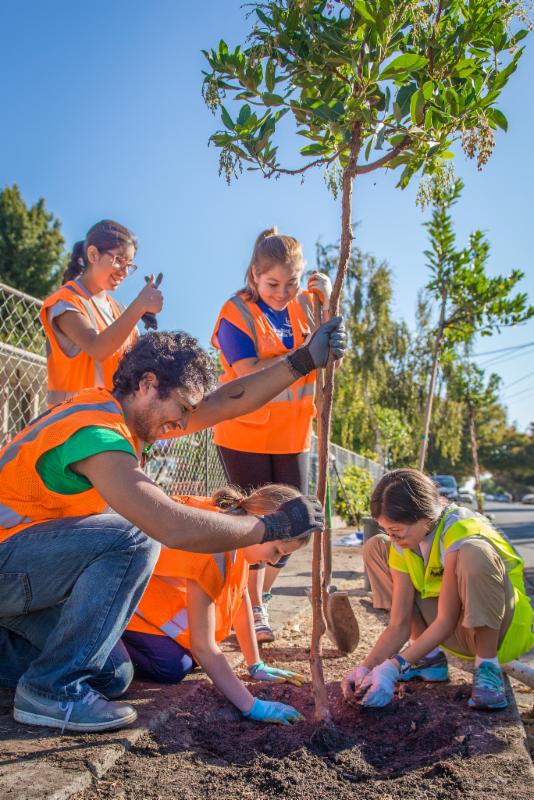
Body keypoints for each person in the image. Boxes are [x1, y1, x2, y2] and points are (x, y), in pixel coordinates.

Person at [0, 319, 345, 733]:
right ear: (148, 384)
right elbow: (169, 525)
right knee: (135, 537)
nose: (183, 424)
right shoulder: (96, 434)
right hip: (11, 566)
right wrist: (268, 528)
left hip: (27, 573)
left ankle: (39, 668)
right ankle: (50, 692)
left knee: (113, 675)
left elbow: (229, 402)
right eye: (182, 408)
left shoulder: (125, 419)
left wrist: (303, 361)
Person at [211, 227, 331, 644]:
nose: (282, 292)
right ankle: (253, 608)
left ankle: (259, 598)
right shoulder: (236, 313)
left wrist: (328, 297)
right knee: (254, 525)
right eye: (272, 284)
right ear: (254, 276)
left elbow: (327, 333)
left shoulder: (304, 305)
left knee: (295, 525)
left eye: (291, 283)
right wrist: (303, 356)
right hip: (243, 433)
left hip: (294, 433)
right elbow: (247, 375)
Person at [341, 469, 534, 711]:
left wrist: (395, 665)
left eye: (397, 531)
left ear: (423, 518)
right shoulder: (403, 542)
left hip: (499, 630)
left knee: (474, 551)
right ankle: (428, 659)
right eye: (388, 529)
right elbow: (398, 623)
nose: (393, 537)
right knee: (377, 546)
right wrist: (366, 667)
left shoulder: (461, 530)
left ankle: (488, 668)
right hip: (454, 629)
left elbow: (446, 619)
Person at [124, 485, 309, 726]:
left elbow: (241, 597)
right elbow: (204, 647)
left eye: (282, 557)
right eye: (276, 550)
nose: (274, 561)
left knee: (185, 661)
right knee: (172, 666)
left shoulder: (235, 535)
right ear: (260, 522)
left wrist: (255, 663)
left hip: (146, 603)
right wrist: (251, 706)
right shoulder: (213, 547)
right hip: (123, 605)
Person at [40, 219, 163, 406]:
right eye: (119, 260)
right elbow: (98, 348)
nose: (124, 271)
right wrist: (139, 306)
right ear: (93, 254)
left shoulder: (119, 311)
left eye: (129, 264)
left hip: (110, 420)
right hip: (72, 422)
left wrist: (141, 312)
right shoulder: (64, 302)